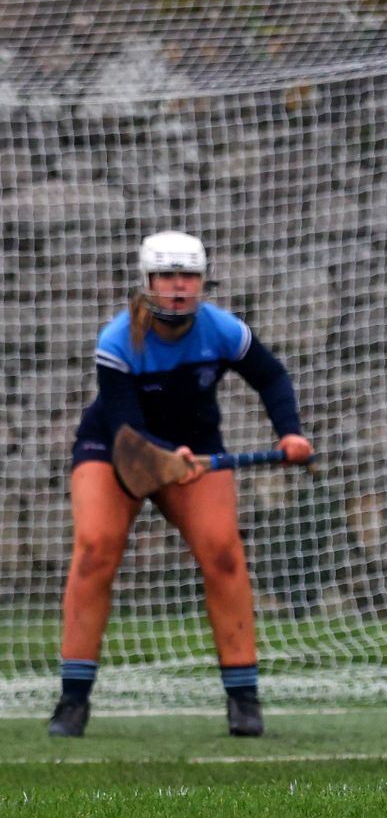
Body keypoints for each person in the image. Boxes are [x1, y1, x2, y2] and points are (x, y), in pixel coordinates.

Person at [48, 231, 314, 739]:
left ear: (202, 282)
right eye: (167, 276)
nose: (178, 287)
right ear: (147, 282)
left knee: (224, 554)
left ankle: (243, 699)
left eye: (188, 276)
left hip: (194, 450)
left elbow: (272, 377)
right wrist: (167, 458)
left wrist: (290, 432)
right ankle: (73, 700)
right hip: (116, 448)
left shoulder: (224, 330)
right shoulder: (117, 341)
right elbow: (126, 427)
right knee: (95, 549)